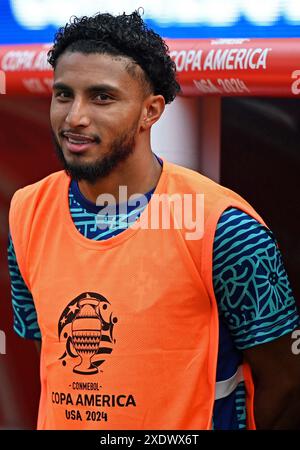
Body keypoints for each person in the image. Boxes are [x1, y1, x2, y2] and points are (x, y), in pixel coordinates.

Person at [7, 11, 300, 430]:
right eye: (63, 95)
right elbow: (53, 361)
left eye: (102, 97)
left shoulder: (225, 228)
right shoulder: (27, 211)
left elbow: (286, 384)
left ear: (150, 111)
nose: (74, 117)